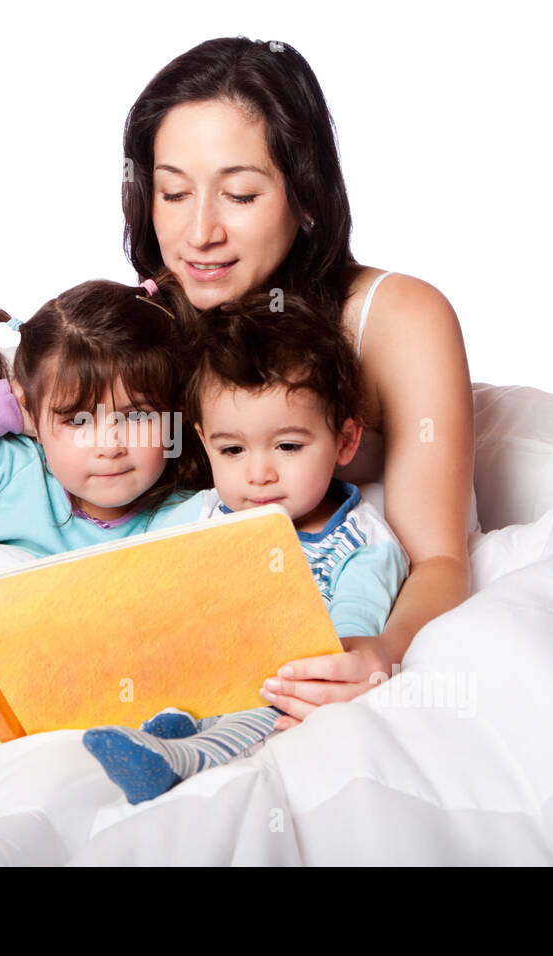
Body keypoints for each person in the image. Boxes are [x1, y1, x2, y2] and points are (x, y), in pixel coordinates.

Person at [0, 37, 474, 729]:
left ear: (306, 194)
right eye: (172, 193)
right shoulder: (152, 326)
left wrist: (379, 651)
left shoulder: (397, 319)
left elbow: (434, 557)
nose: (200, 234)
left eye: (242, 195)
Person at [82, 291, 408, 803]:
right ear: (203, 440)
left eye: (288, 446)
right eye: (232, 449)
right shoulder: (204, 513)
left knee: (262, 707)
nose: (259, 474)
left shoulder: (363, 544)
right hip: (196, 666)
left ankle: (183, 758)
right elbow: (146, 582)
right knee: (161, 693)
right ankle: (161, 733)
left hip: (279, 683)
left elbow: (344, 642)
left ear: (345, 441)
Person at [0, 271, 212, 576]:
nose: (110, 446)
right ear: (34, 418)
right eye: (77, 420)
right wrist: (11, 405)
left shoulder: (191, 514)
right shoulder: (13, 476)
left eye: (136, 416)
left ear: (174, 415)